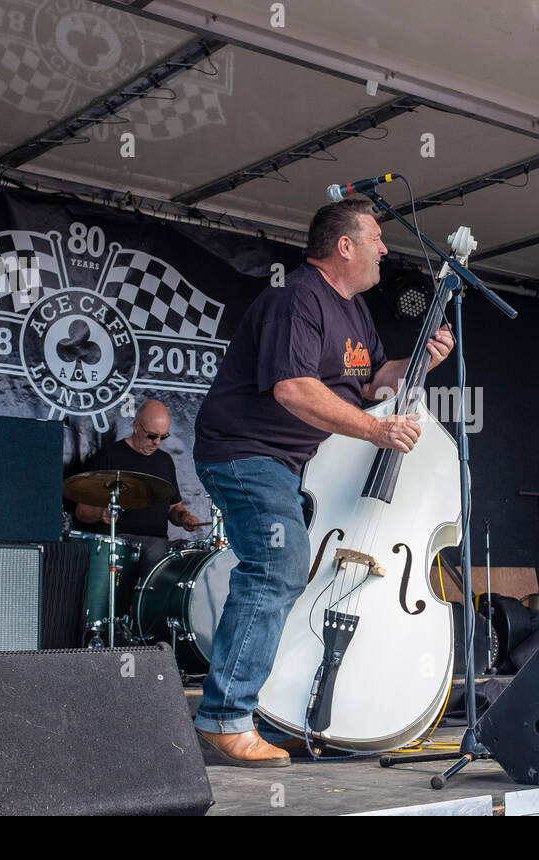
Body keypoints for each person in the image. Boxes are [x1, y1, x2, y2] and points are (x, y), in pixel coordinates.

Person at [190, 198, 453, 767]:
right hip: (243, 454)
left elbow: (374, 381)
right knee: (278, 566)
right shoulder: (296, 300)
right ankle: (222, 718)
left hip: (285, 464)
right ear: (345, 245)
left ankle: (255, 712)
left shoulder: (354, 312)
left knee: (287, 570)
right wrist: (375, 433)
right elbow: (294, 389)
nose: (386, 247)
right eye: (377, 237)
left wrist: (420, 364)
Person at [75, 400, 203, 585]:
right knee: (156, 550)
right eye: (152, 436)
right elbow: (82, 512)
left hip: (158, 541)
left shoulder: (165, 461)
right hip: (121, 542)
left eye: (163, 436)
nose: (157, 442)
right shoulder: (109, 457)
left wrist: (184, 517)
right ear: (136, 427)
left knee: (192, 554)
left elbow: (174, 508)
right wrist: (102, 513)